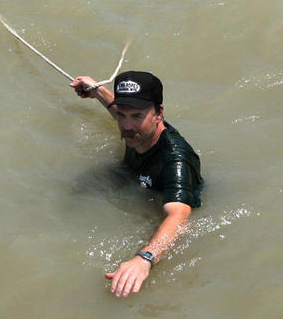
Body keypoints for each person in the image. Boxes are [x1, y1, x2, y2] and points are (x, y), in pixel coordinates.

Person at [69, 70, 202, 297]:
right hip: (131, 175)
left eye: (137, 116)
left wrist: (145, 259)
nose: (127, 125)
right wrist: (96, 90)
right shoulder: (135, 125)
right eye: (123, 115)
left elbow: (179, 215)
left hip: (156, 192)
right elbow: (116, 107)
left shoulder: (176, 159)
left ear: (158, 114)